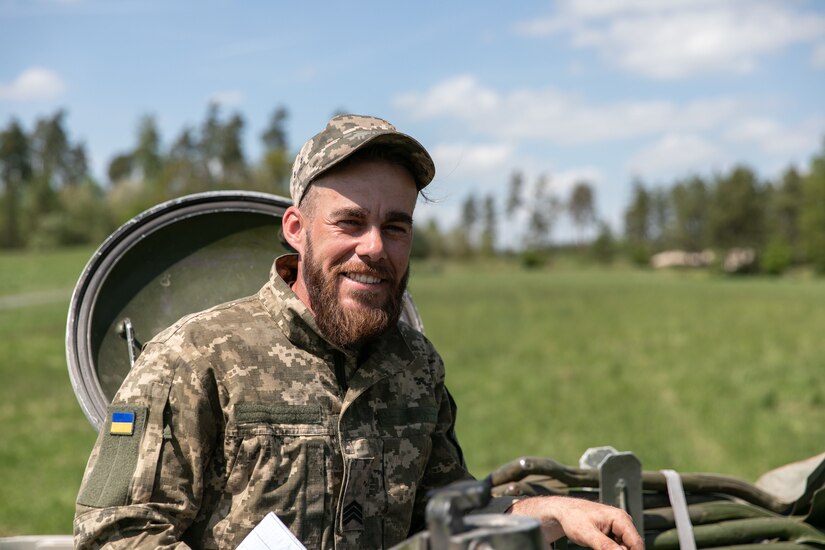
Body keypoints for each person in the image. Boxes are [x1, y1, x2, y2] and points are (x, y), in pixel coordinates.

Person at [73, 114, 643, 550]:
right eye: (350, 222)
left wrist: (538, 511)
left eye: (395, 227)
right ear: (297, 230)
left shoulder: (414, 365)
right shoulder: (193, 357)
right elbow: (116, 535)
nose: (374, 248)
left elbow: (440, 506)